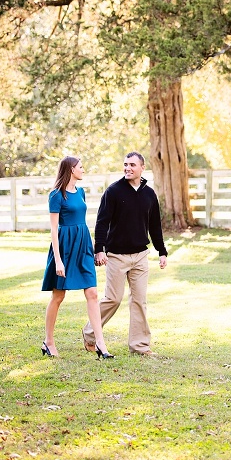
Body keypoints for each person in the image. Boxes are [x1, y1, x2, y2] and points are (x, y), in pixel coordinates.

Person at [82, 151, 168, 356]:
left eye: (132, 165)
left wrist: (162, 251)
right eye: (125, 164)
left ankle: (140, 346)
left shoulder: (149, 194)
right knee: (113, 299)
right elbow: (101, 222)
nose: (127, 168)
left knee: (139, 300)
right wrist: (99, 250)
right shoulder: (113, 192)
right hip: (116, 256)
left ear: (142, 168)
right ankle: (90, 332)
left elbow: (155, 226)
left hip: (140, 256)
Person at [41, 156, 114, 360]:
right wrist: (58, 259)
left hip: (82, 244)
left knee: (92, 292)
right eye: (81, 167)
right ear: (71, 169)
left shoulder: (81, 192)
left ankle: (100, 343)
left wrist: (94, 248)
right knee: (58, 296)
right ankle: (49, 341)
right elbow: (54, 230)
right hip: (64, 247)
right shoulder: (56, 195)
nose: (83, 170)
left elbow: (83, 222)